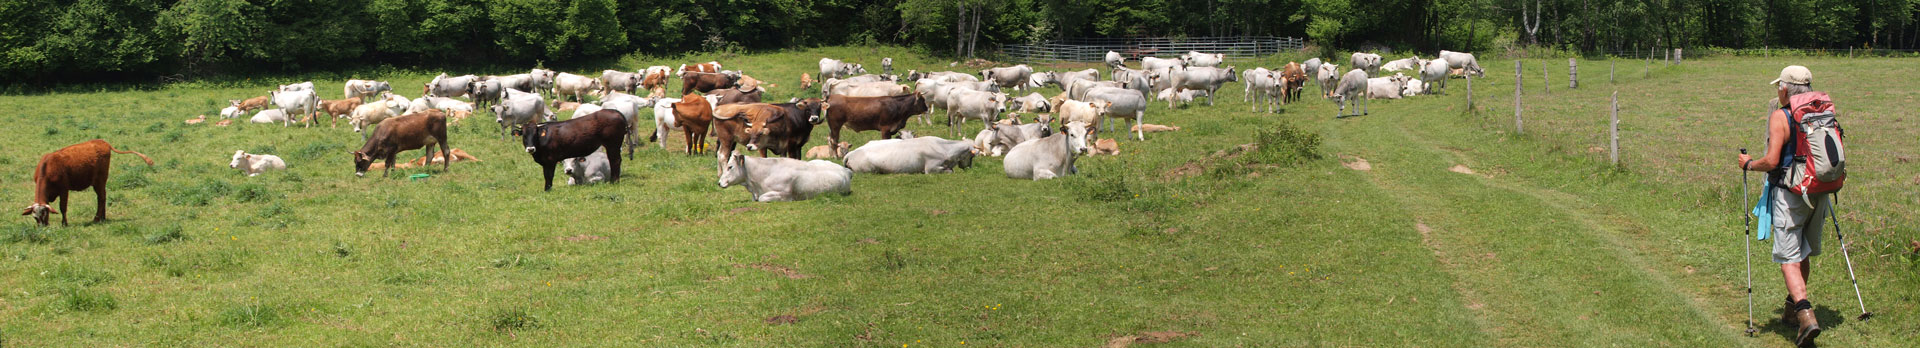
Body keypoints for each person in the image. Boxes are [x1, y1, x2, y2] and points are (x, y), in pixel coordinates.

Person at [1736, 65, 1828, 347]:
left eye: (1779, 86)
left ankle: (1805, 315)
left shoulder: (1781, 116)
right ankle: (1792, 309)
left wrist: (1749, 164)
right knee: (1804, 251)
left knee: (1788, 257)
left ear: (1785, 89)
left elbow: (1772, 161)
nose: (1778, 91)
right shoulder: (1820, 113)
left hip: (1791, 194)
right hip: (1819, 191)